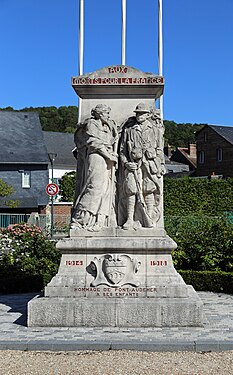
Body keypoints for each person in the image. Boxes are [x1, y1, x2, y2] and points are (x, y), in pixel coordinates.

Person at [71, 104, 118, 230]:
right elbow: (94, 143)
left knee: (105, 189)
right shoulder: (92, 124)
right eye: (107, 114)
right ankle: (80, 219)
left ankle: (99, 221)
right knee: (94, 187)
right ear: (100, 114)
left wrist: (113, 129)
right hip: (97, 158)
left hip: (105, 159)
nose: (108, 116)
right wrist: (109, 156)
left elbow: (111, 141)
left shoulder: (105, 126)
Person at [118, 103, 165, 229]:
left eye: (142, 113)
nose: (139, 115)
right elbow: (122, 151)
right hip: (133, 165)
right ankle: (129, 219)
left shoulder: (155, 130)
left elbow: (160, 150)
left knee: (148, 190)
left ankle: (148, 218)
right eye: (138, 113)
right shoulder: (129, 130)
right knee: (131, 190)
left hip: (149, 165)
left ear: (148, 115)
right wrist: (126, 163)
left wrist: (160, 165)